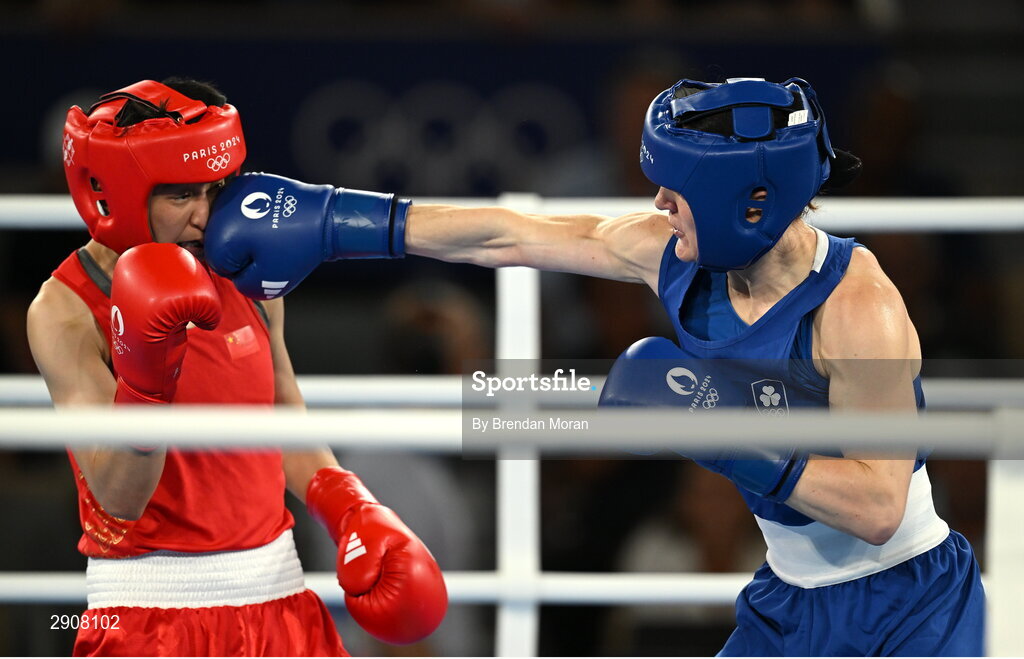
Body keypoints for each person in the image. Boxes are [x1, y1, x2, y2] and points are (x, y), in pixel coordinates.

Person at [203, 74, 986, 656]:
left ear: (743, 202)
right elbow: (509, 234)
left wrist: (728, 427)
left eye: (675, 186)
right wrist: (344, 219)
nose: (655, 198)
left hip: (908, 606)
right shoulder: (670, 254)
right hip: (789, 598)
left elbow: (881, 503)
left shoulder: (860, 306)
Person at [25, 78, 447, 657]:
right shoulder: (66, 309)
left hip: (280, 598)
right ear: (119, 193)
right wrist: (148, 380)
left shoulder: (247, 265)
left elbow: (281, 416)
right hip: (152, 614)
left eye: (215, 190)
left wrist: (351, 507)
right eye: (180, 197)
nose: (205, 217)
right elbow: (120, 496)